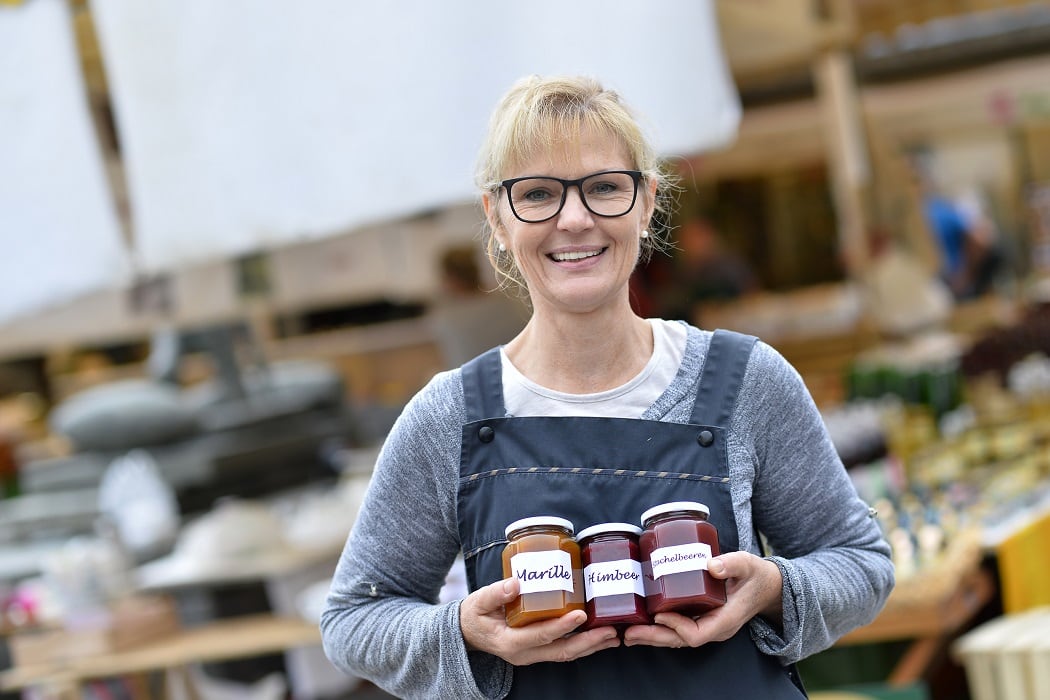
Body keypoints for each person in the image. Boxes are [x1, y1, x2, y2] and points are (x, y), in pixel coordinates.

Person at [321, 75, 894, 699]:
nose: (574, 218)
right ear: (497, 218)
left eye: (604, 188)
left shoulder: (746, 383)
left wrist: (774, 590)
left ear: (647, 203)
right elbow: (354, 619)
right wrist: (463, 631)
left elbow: (860, 562)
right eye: (537, 194)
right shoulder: (450, 418)